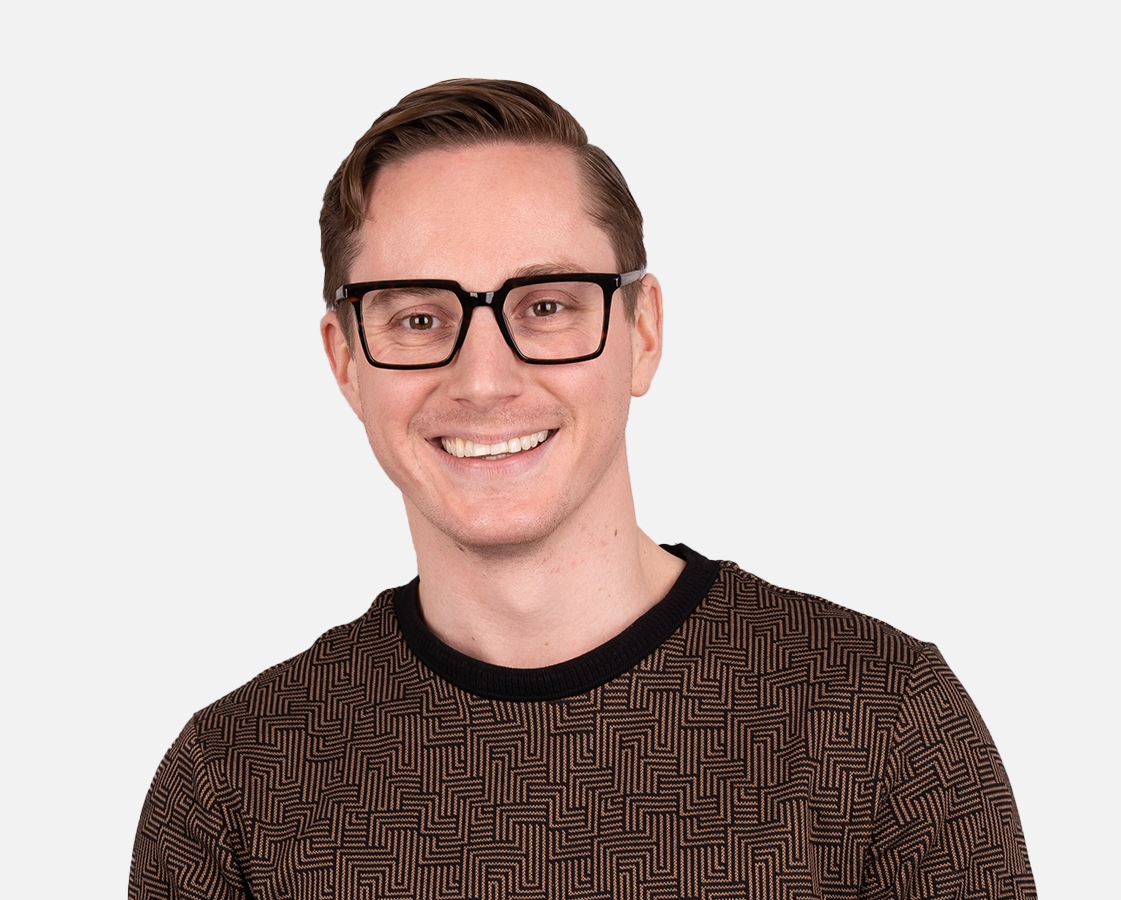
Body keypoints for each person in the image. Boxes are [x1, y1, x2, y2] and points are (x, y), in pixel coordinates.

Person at [130, 79, 1036, 899]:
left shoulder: (883, 725)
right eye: (419, 318)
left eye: (547, 306)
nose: (484, 380)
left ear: (642, 334)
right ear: (346, 363)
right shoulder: (232, 786)